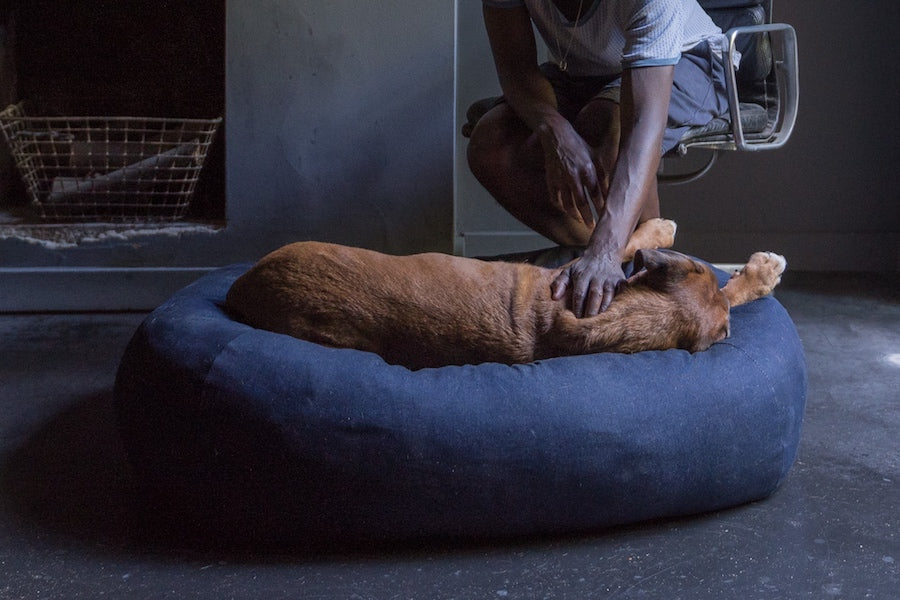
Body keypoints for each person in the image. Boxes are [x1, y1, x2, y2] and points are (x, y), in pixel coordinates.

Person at [467, 0, 732, 317]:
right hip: (582, 71)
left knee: (606, 126)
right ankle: (615, 255)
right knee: (490, 144)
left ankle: (643, 267)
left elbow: (642, 125)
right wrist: (555, 132)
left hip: (691, 58)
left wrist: (605, 251)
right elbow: (515, 70)